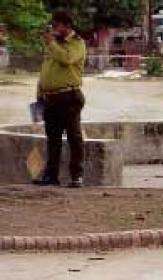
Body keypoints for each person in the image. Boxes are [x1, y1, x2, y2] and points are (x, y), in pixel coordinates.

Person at [33, 10, 87, 188]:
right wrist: (40, 92)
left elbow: (67, 59)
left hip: (69, 96)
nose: (54, 28)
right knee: (52, 139)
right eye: (53, 25)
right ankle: (51, 175)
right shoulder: (53, 45)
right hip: (50, 98)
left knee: (74, 137)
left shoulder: (77, 43)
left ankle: (76, 176)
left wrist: (51, 43)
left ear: (67, 26)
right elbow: (46, 70)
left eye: (57, 25)